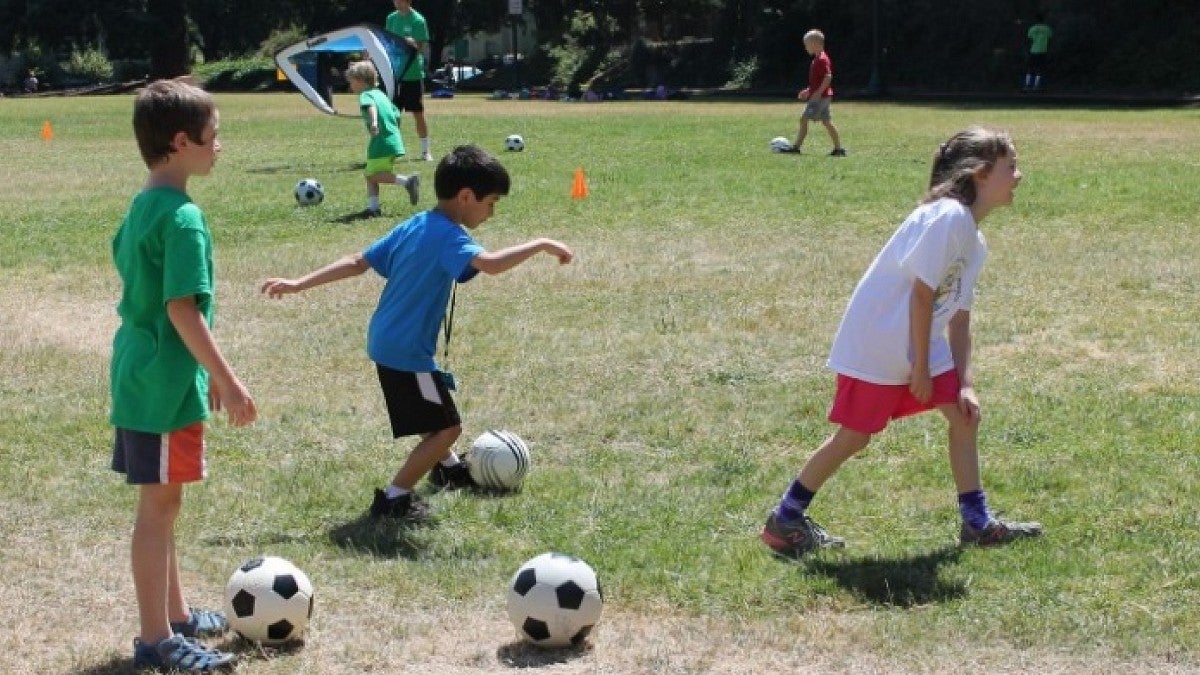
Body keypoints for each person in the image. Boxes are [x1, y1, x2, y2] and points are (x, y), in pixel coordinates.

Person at [761, 127, 1043, 559]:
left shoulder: (974, 238)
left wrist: (963, 381)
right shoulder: (947, 216)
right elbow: (921, 293)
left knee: (965, 417)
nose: (1019, 176)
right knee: (854, 437)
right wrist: (919, 367)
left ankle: (977, 523)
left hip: (918, 341)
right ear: (980, 174)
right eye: (1011, 167)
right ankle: (786, 519)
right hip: (882, 342)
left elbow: (960, 316)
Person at [261, 145, 573, 520]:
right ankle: (394, 498)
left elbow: (357, 262)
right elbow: (489, 265)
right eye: (491, 203)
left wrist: (298, 283)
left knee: (431, 415)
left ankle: (449, 469)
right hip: (407, 352)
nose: (492, 213)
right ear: (466, 196)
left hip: (386, 340)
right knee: (447, 427)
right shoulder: (449, 237)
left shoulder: (417, 224)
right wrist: (541, 244)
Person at [111, 79, 258, 670]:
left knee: (163, 504)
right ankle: (156, 640)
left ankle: (173, 616)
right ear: (180, 142)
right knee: (158, 511)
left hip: (138, 376)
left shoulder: (143, 204)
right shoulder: (184, 218)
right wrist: (225, 378)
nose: (219, 146)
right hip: (165, 385)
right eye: (213, 137)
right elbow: (181, 308)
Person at [345, 60, 420, 218]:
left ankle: (407, 182)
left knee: (372, 175)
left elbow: (371, 107)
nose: (350, 86)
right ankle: (373, 208)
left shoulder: (366, 95)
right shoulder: (381, 94)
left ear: (360, 80)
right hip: (392, 140)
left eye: (351, 82)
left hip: (381, 141)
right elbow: (397, 115)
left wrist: (374, 123)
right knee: (371, 174)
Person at [784, 29, 846, 157]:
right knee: (826, 122)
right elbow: (818, 80)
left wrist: (817, 93)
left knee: (803, 119)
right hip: (823, 96)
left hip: (820, 98)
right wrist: (809, 90)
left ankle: (796, 147)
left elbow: (828, 77)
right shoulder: (818, 59)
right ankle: (838, 149)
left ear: (815, 44)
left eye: (806, 44)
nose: (805, 47)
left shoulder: (822, 59)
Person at [386, 0, 433, 161]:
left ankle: (426, 151)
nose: (396, 3)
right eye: (395, 0)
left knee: (417, 113)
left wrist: (412, 44)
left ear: (408, 1)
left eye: (400, 0)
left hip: (412, 74)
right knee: (392, 114)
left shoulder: (418, 20)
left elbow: (420, 47)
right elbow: (386, 42)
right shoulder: (391, 18)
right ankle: (392, 150)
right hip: (395, 74)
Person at [1024, 14, 1053, 92]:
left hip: (1033, 50)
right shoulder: (1047, 29)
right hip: (1043, 51)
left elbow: (1029, 40)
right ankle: (1036, 86)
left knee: (1030, 68)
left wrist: (1027, 51)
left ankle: (1027, 85)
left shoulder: (1032, 28)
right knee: (1039, 69)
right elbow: (1050, 40)